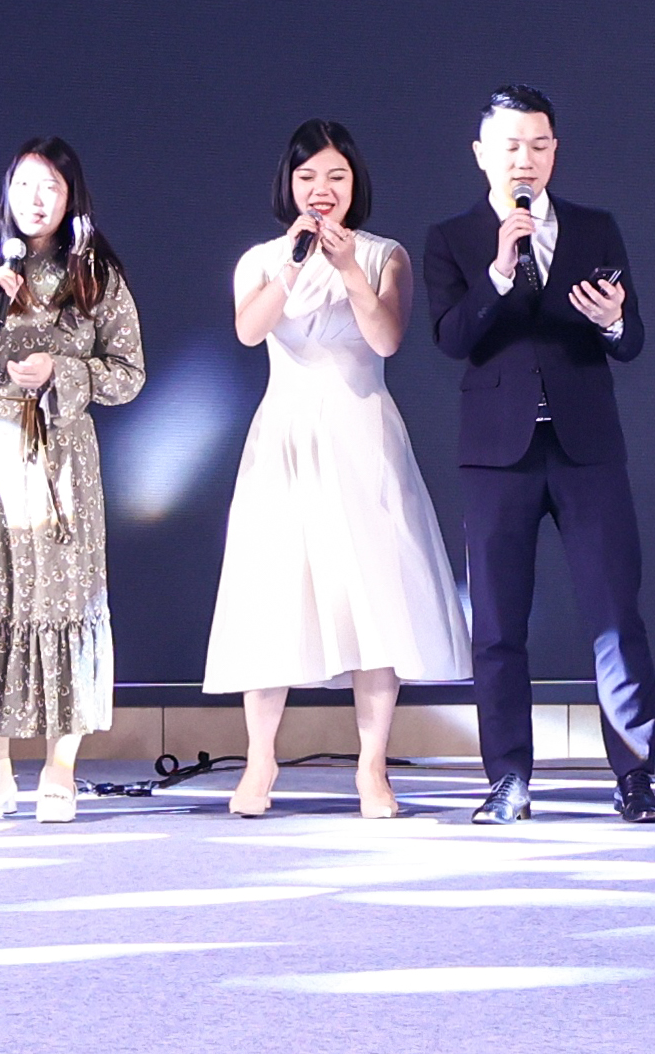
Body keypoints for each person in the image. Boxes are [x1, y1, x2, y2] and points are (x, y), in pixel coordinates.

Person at [203, 121, 472, 819]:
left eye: (336, 177)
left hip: (361, 432)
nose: (321, 190)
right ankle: (260, 760)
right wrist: (294, 265)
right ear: (288, 185)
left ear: (356, 184)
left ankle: (372, 766)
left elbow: (385, 338)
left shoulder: (385, 255)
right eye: (307, 178)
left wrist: (349, 267)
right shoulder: (262, 259)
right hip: (286, 438)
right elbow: (249, 330)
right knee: (273, 594)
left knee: (373, 598)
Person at [425, 87, 655, 824]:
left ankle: (634, 775)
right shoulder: (453, 237)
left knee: (615, 613)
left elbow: (631, 340)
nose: (524, 159)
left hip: (585, 444)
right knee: (498, 625)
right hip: (496, 455)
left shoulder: (596, 227)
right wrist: (499, 271)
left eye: (537, 145)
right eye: (510, 147)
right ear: (482, 155)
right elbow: (451, 338)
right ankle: (508, 779)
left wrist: (616, 319)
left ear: (555, 151)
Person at [0, 136, 147, 823]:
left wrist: (63, 371)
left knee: (64, 601)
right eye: (25, 184)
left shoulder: (97, 277)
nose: (36, 199)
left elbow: (129, 374)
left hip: (61, 456)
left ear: (71, 196)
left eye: (51, 186)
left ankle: (60, 768)